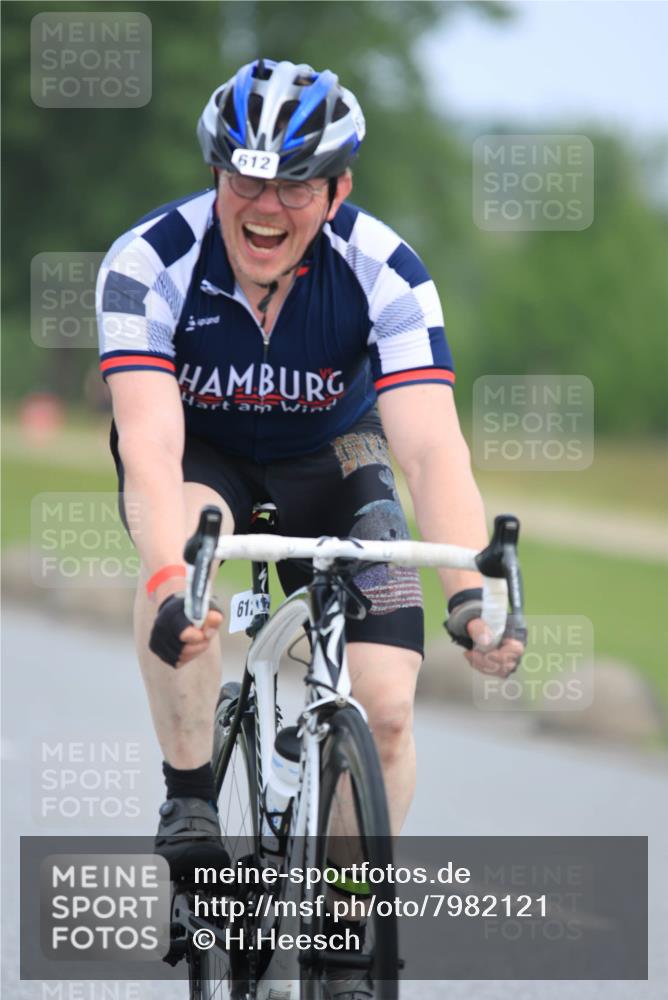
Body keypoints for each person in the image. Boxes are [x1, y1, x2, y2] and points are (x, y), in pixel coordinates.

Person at [96, 57, 524, 995]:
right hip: (199, 457)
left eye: (294, 182)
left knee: (392, 705)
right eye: (245, 176)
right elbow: (151, 448)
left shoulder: (386, 268)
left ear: (337, 190)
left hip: (334, 461)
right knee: (193, 555)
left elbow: (430, 452)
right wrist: (170, 583)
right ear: (216, 172)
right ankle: (190, 801)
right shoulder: (148, 261)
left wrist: (469, 597)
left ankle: (341, 925)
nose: (264, 203)